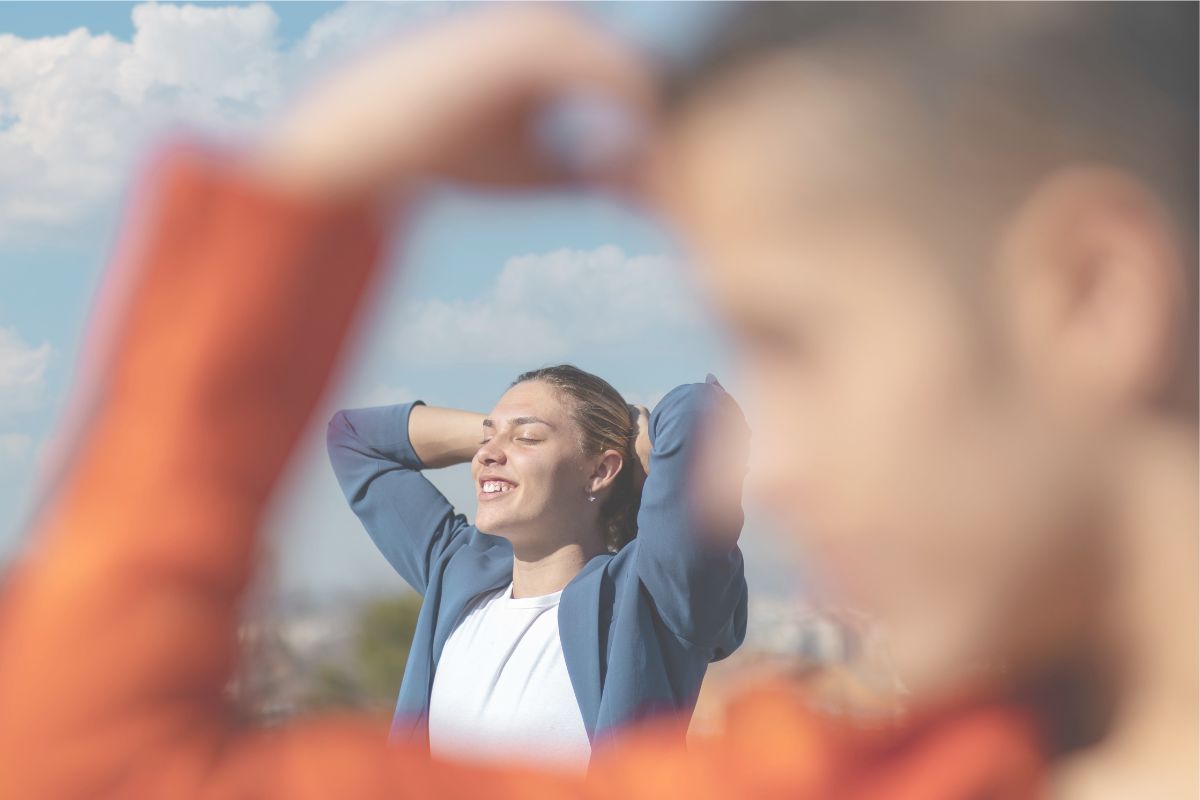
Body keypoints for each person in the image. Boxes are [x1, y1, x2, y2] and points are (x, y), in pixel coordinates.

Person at [0, 4, 1193, 798]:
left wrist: (321, 188)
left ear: (1095, 295)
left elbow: (692, 416)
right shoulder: (467, 574)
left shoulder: (660, 595)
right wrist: (327, 179)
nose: (761, 475)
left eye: (801, 340)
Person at [325, 366, 748, 769]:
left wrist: (638, 443)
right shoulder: (457, 571)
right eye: (484, 443)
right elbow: (354, 439)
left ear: (600, 470)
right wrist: (502, 433)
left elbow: (699, 414)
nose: (486, 455)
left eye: (528, 438)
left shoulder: (650, 598)